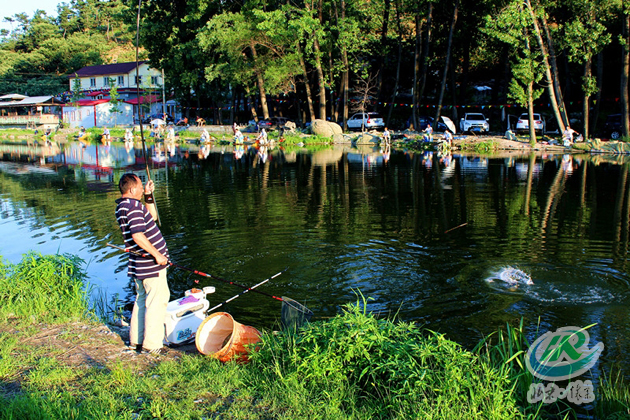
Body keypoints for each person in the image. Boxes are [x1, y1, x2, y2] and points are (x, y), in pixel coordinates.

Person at [115, 174, 169, 355]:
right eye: (139, 187)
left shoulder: (123, 206)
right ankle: (152, 346)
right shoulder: (132, 207)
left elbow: (151, 216)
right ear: (131, 190)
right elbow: (138, 236)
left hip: (139, 264)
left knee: (141, 301)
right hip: (151, 264)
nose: (140, 189)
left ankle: (136, 341)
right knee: (156, 303)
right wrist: (158, 255)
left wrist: (148, 195)